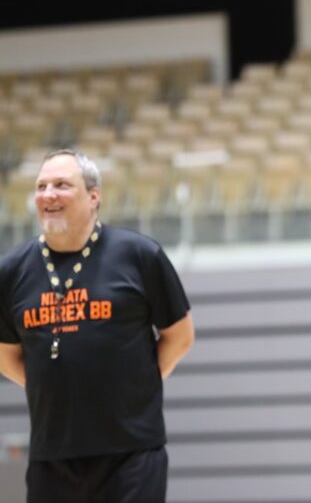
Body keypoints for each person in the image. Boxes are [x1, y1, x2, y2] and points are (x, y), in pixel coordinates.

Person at [0, 149, 194, 503]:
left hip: (131, 453)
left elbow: (179, 335)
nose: (48, 195)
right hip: (52, 457)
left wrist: (139, 384)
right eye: (41, 186)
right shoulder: (11, 271)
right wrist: (49, 381)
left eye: (61, 185)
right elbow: (4, 352)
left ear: (93, 196)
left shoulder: (139, 255)